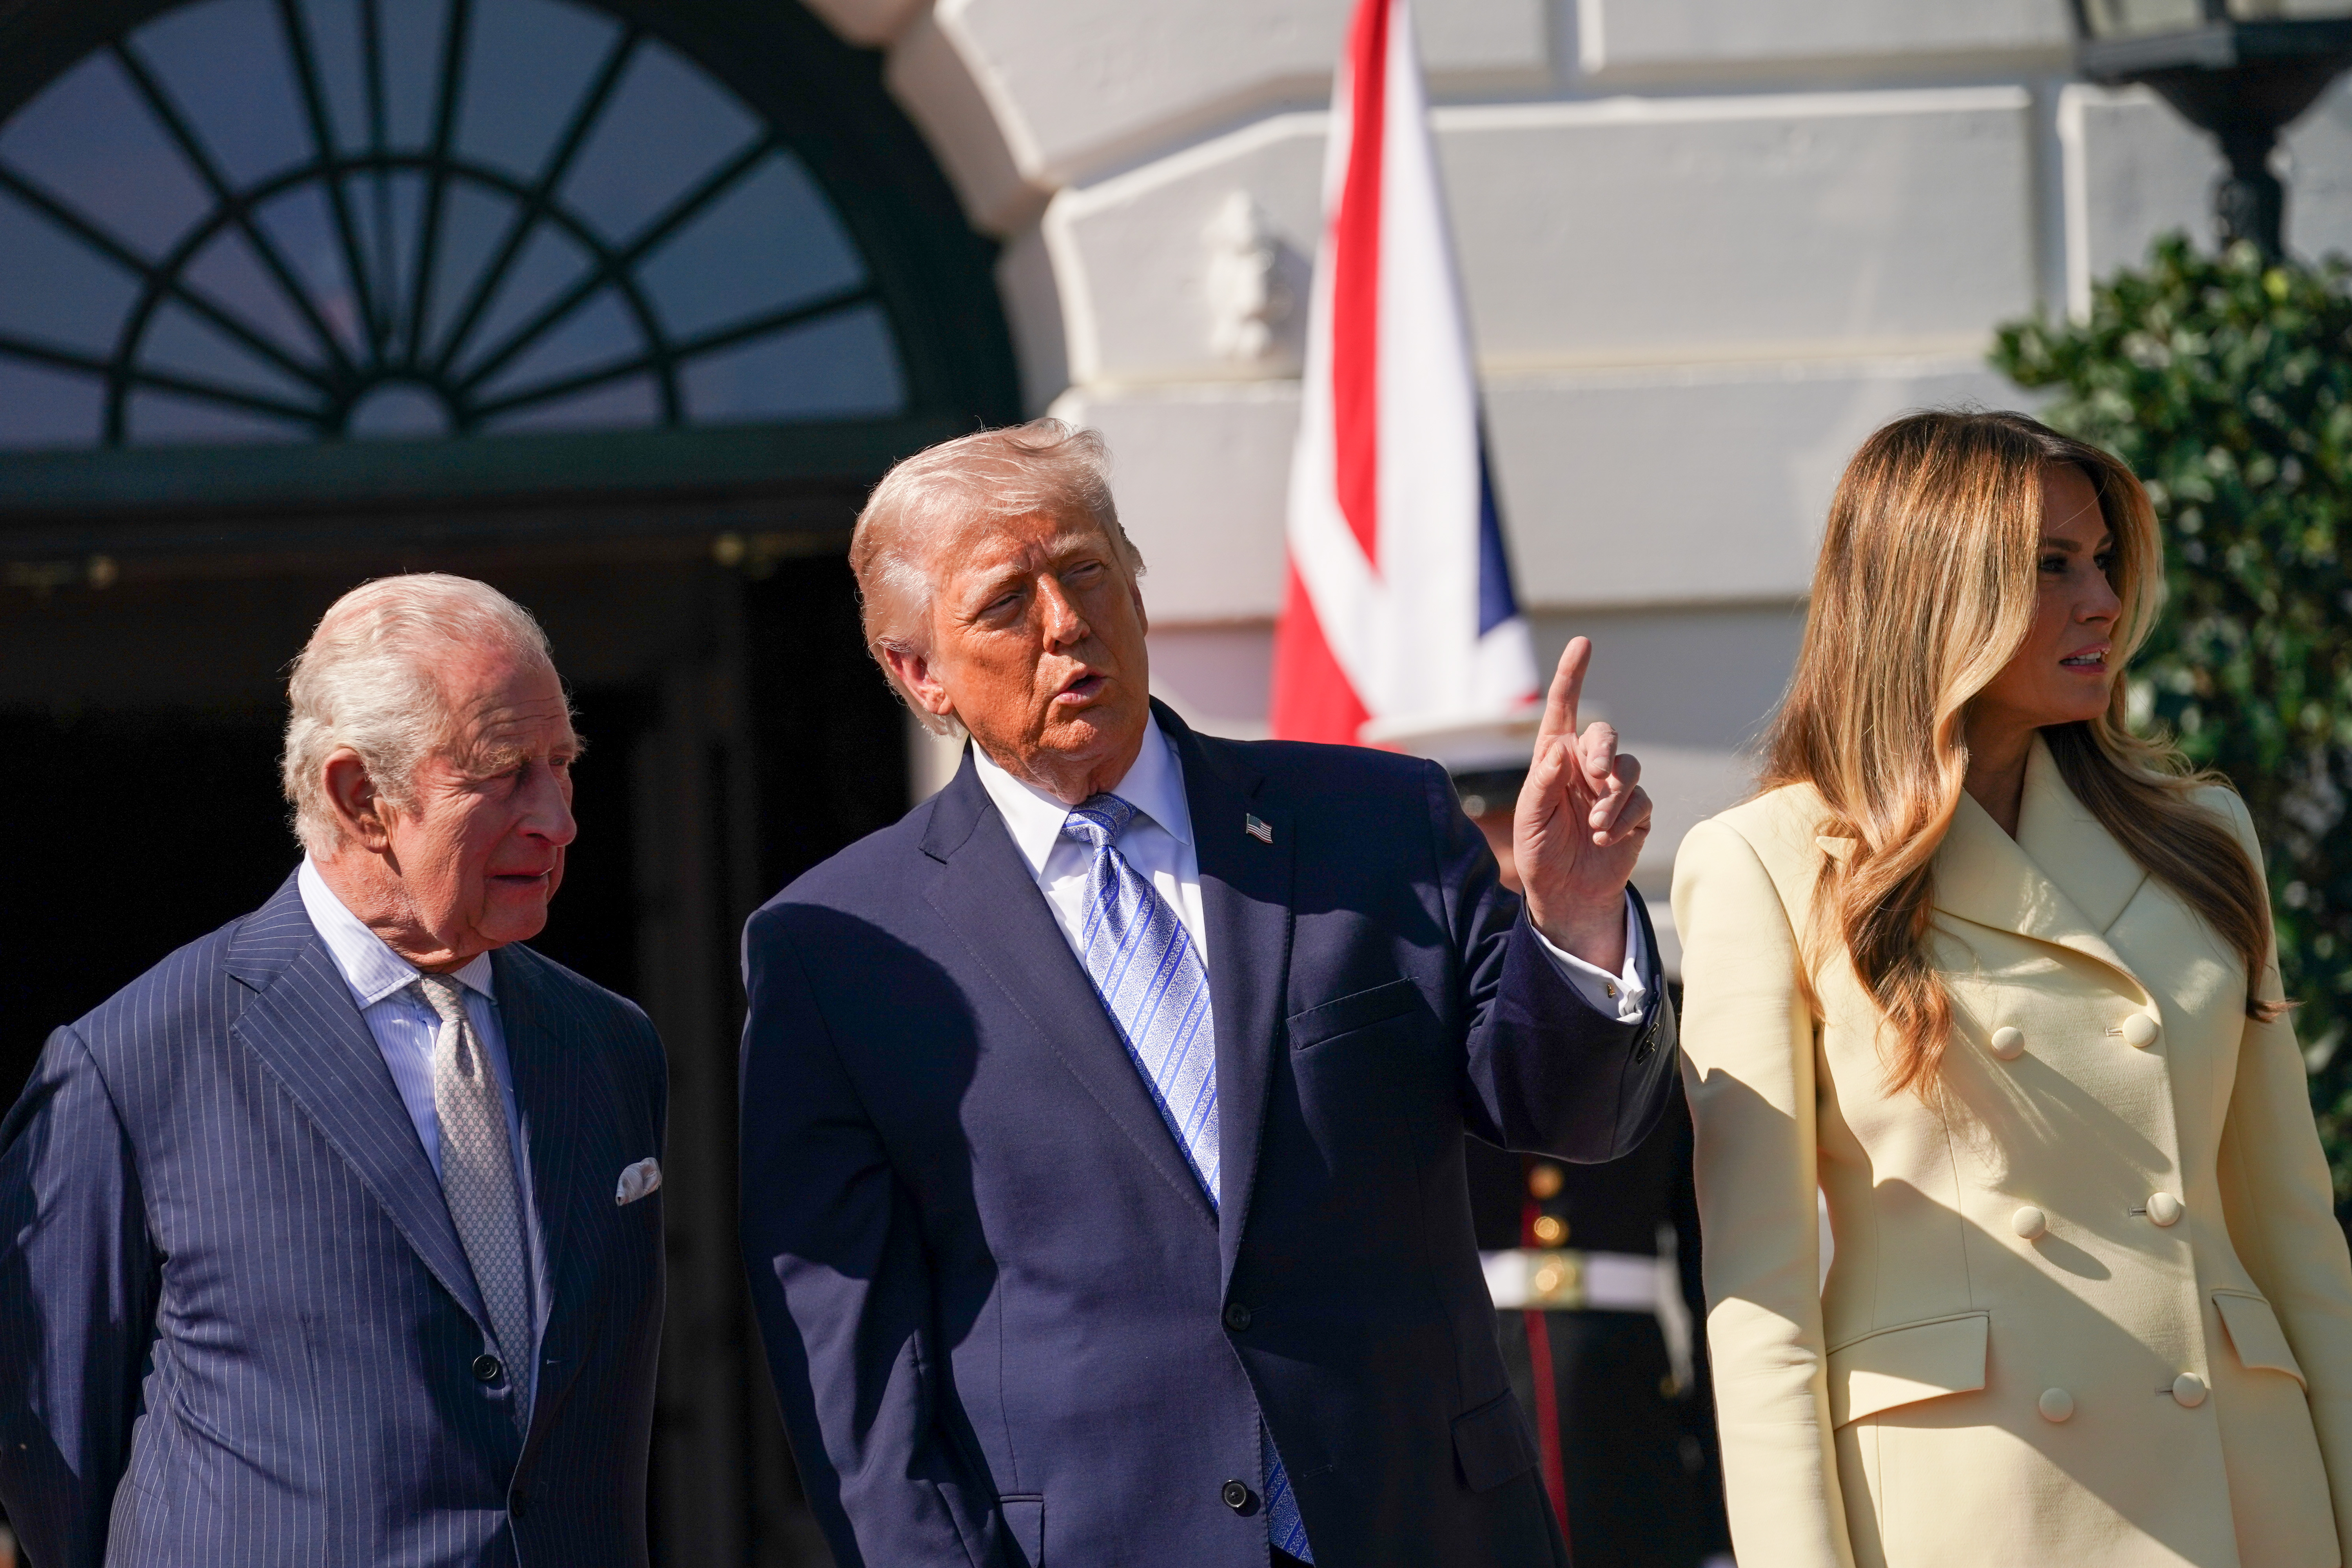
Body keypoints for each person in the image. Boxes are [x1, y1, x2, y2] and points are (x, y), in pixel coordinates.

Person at [738, 419, 1677, 1567]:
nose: (1067, 623)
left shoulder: (1374, 828)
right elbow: (860, 1378)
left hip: (1422, 1523)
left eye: (1087, 571)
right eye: (1005, 605)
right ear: (917, 672)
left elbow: (1572, 1117)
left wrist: (1574, 921)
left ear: (1133, 582)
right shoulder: (841, 949)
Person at [1674, 409, 2352, 1567]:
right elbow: (1761, 1304)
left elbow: (2296, 1235)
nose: (2102, 603)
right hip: (1978, 1510)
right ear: (1928, 591)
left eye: (2102, 563)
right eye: (2049, 568)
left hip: (2244, 1493)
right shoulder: (1768, 862)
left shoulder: (2204, 837)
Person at [0, 574, 668, 1567]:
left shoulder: (609, 1044)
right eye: (504, 771)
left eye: (562, 764)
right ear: (361, 798)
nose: (559, 820)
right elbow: (55, 1461)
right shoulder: (131, 1061)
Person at [1404, 715, 1728, 1568]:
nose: (1512, 871)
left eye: (1522, 837)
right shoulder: (1404, 1027)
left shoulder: (1665, 1012)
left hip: (1630, 1416)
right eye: (1488, 848)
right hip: (1464, 1418)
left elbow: (1717, 1274)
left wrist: (1729, 1521)